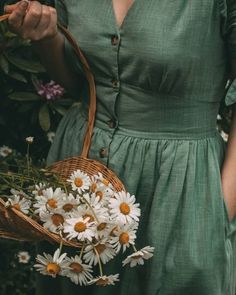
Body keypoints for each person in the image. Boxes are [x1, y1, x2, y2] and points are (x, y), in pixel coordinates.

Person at [4, 0, 236, 294]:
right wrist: (47, 38)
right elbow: (79, 83)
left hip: (180, 186)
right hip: (81, 178)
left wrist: (218, 212)